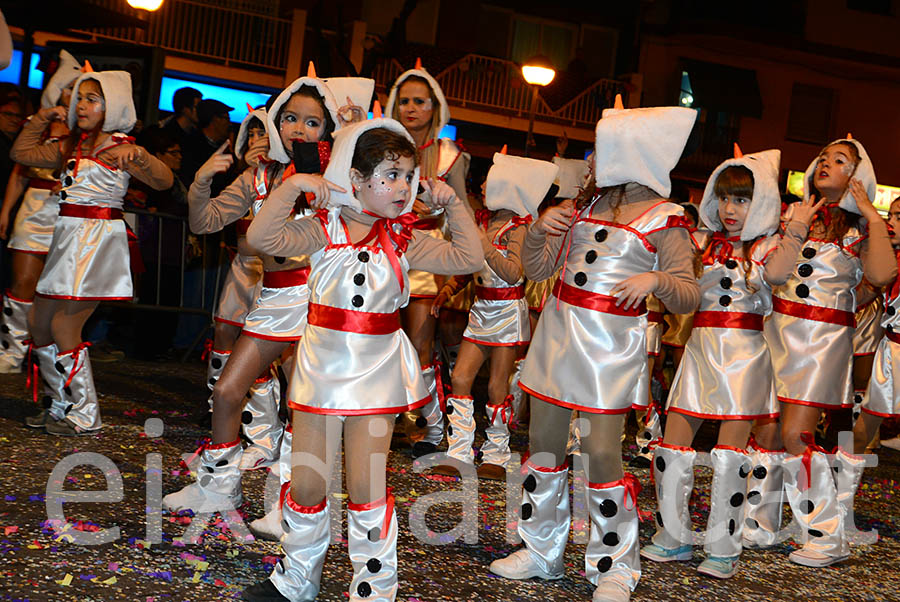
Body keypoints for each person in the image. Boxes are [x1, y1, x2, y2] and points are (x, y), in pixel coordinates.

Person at [240, 116, 482, 602]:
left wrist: (454, 204)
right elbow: (260, 240)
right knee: (307, 482)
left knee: (367, 487)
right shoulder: (320, 229)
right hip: (321, 371)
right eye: (391, 175)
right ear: (355, 178)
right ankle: (296, 581)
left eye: (410, 176)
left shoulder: (406, 238)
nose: (403, 187)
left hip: (376, 375)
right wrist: (296, 185)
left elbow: (470, 259)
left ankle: (373, 588)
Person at [489, 99, 700, 602]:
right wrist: (541, 230)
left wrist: (658, 279)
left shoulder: (666, 218)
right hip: (558, 334)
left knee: (603, 452)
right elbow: (537, 272)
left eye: (604, 145)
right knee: (542, 446)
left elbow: (690, 292)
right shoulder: (582, 206)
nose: (594, 156)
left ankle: (615, 565)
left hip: (609, 346)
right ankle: (542, 550)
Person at [162, 71, 369, 514]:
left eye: (312, 123)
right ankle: (219, 487)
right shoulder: (259, 176)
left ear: (329, 128)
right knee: (227, 390)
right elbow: (203, 222)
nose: (298, 129)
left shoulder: (336, 176)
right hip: (273, 298)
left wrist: (352, 134)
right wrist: (201, 181)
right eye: (290, 118)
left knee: (304, 407)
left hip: (316, 301)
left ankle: (292, 503)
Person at [640, 148, 821, 579]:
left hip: (743, 356)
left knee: (729, 455)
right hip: (700, 350)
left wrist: (794, 230)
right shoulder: (699, 241)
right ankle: (675, 535)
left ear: (759, 203)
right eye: (723, 198)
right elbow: (675, 287)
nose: (729, 208)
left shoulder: (768, 246)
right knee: (672, 445)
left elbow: (777, 276)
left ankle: (723, 547)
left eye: (740, 199)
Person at [747, 136, 896, 567]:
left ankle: (828, 535)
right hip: (777, 331)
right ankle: (761, 523)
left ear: (857, 176)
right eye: (824, 157)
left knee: (796, 435)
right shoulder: (793, 215)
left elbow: (882, 275)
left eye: (840, 160)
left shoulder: (859, 226)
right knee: (768, 431)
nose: (827, 163)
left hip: (820, 342)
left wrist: (870, 213)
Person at [9, 70, 173, 435]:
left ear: (111, 105)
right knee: (38, 324)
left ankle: (84, 414)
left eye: (92, 99)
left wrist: (141, 156)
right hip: (66, 240)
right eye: (80, 97)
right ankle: (60, 403)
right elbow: (20, 153)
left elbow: (165, 181)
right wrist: (42, 117)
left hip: (96, 241)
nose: (82, 105)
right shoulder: (73, 145)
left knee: (65, 325)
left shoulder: (120, 146)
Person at [430, 149, 558, 480]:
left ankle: (497, 455)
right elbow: (469, 264)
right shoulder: (484, 222)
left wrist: (484, 245)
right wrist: (447, 291)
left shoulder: (518, 227)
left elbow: (515, 273)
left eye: (490, 180)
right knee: (460, 377)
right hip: (480, 309)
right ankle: (458, 451)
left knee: (497, 386)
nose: (483, 185)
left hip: (507, 311)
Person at [386, 60, 470, 456]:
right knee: (376, 339)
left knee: (421, 346)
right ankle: (384, 419)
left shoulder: (450, 156)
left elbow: (463, 212)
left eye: (419, 101)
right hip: (382, 249)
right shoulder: (379, 147)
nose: (411, 108)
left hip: (424, 255)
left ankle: (431, 428)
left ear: (435, 108)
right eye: (404, 100)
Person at [0, 50, 81, 376]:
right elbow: (18, 170)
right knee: (22, 283)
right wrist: (5, 210)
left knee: (55, 290)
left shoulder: (84, 131)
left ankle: (48, 354)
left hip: (66, 214)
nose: (74, 95)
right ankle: (10, 352)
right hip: (32, 209)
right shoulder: (37, 126)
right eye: (69, 88)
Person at [180, 98, 234, 194]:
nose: (230, 124)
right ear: (215, 120)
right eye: (227, 118)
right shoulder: (191, 146)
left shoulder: (225, 148)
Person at [162, 86, 201, 162]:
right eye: (198, 107)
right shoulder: (168, 133)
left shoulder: (196, 134)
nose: (201, 111)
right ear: (185, 109)